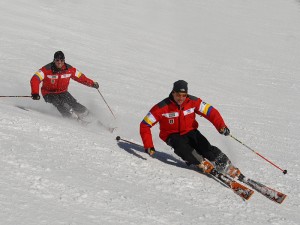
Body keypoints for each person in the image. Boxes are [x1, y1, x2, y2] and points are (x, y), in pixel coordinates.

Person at [140, 80, 240, 178]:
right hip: (172, 135)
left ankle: (227, 166)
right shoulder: (162, 107)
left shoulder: (193, 101)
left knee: (205, 147)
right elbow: (145, 125)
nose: (181, 98)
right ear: (173, 92)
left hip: (190, 131)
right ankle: (201, 163)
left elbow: (210, 111)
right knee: (183, 147)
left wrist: (221, 126)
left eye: (184, 95)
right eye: (178, 95)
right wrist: (148, 145)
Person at [30, 51, 99, 119]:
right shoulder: (46, 70)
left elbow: (81, 77)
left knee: (74, 103)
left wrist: (92, 83)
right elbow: (35, 79)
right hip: (48, 93)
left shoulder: (69, 69)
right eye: (57, 60)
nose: (59, 62)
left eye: (61, 60)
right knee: (59, 103)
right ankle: (70, 118)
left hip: (63, 92)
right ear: (54, 60)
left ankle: (90, 117)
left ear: (64, 60)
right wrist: (35, 93)